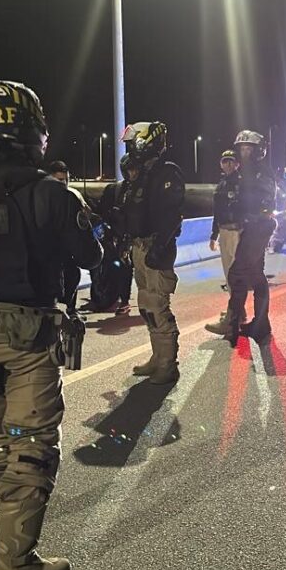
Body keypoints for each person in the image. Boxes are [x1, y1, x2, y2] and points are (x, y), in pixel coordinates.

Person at [0, 80, 102, 570]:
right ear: (32, 128)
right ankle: (14, 565)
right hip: (27, 335)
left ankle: (8, 518)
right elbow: (92, 256)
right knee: (31, 445)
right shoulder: (54, 194)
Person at [114, 121, 185, 384]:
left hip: (157, 247)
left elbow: (171, 216)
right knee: (145, 305)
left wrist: (159, 246)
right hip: (139, 246)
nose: (131, 148)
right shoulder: (141, 175)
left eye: (134, 143)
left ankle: (168, 364)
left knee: (157, 306)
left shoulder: (167, 173)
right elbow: (132, 212)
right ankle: (157, 357)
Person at [223, 130, 277, 346]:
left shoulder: (262, 173)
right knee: (256, 275)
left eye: (248, 149)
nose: (244, 152)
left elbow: (263, 201)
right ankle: (261, 325)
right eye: (242, 149)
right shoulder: (244, 172)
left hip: (258, 227)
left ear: (258, 151)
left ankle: (232, 326)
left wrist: (247, 209)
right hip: (250, 227)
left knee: (237, 274)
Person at [84, 154, 134, 314]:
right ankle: (99, 295)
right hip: (110, 236)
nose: (132, 173)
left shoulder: (141, 191)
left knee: (126, 266)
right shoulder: (114, 189)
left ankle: (125, 301)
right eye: (130, 169)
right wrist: (89, 206)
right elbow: (101, 210)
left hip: (130, 237)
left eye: (134, 169)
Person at [205, 150, 241, 335]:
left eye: (231, 161)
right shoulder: (222, 184)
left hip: (237, 232)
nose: (228, 164)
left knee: (236, 275)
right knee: (228, 275)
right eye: (225, 161)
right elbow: (217, 212)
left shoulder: (241, 183)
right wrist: (214, 235)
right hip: (224, 232)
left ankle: (234, 316)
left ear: (237, 164)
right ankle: (237, 312)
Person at [46, 160, 84, 314]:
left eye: (66, 180)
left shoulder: (73, 196)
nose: (64, 184)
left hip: (68, 251)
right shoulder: (42, 197)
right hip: (49, 252)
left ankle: (71, 311)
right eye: (60, 180)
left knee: (72, 275)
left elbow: (84, 218)